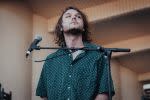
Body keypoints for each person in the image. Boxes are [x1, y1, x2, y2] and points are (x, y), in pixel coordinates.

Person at [36, 6, 115, 100]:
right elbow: (44, 95)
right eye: (68, 16)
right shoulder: (50, 60)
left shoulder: (98, 56)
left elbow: (104, 92)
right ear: (61, 27)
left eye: (78, 17)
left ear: (83, 28)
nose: (74, 18)